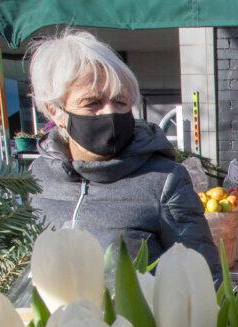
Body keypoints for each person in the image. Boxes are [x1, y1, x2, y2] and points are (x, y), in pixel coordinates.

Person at [27, 30, 218, 270]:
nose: (109, 113)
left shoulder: (164, 180)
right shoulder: (36, 177)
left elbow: (202, 275)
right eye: (93, 103)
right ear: (55, 110)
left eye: (120, 102)